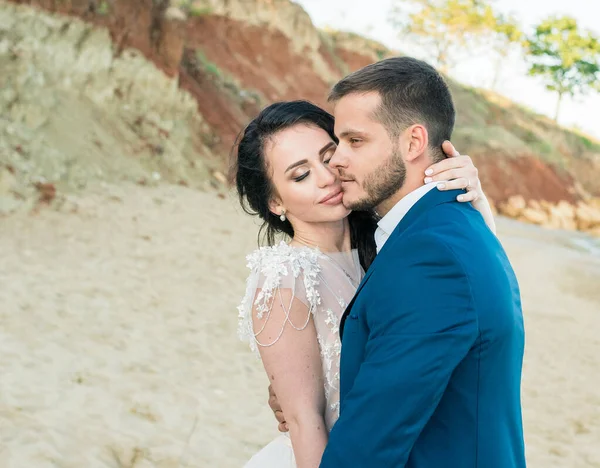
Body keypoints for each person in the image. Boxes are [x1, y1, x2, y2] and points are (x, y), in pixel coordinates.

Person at [266, 57, 526, 467]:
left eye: (354, 141)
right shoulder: (437, 232)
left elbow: (368, 448)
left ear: (412, 143)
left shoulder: (430, 258)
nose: (335, 163)